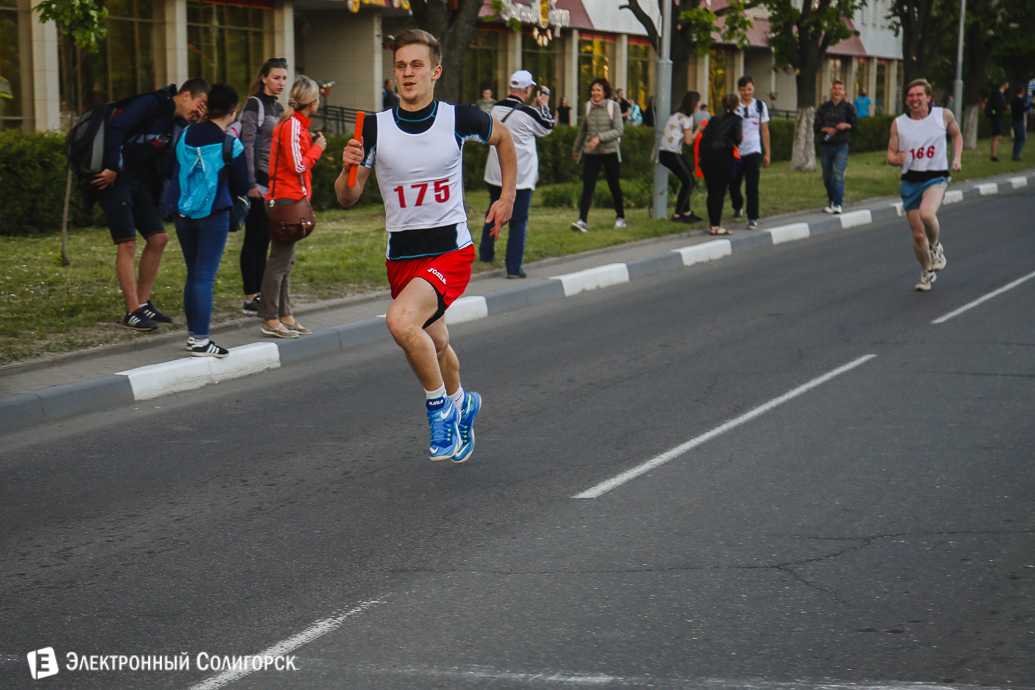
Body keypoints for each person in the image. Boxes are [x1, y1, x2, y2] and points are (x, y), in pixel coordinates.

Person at [336, 29, 517, 464]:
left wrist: (506, 195)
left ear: (435, 71)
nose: (408, 73)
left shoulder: (458, 119)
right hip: (401, 257)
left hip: (449, 250)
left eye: (417, 65)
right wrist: (347, 168)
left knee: (401, 322)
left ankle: (440, 412)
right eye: (401, 66)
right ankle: (463, 402)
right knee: (434, 342)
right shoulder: (373, 128)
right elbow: (347, 197)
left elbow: (505, 140)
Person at [92, 79, 210, 331]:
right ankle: (132, 311)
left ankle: (143, 304)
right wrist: (112, 166)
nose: (200, 110)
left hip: (139, 181)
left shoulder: (177, 123)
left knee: (158, 239)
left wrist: (198, 125)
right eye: (201, 104)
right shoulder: (150, 103)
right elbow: (116, 129)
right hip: (116, 178)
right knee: (128, 242)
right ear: (187, 95)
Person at [167, 83, 250, 357]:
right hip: (214, 215)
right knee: (204, 276)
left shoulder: (187, 134)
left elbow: (174, 167)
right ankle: (202, 341)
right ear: (232, 110)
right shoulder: (231, 143)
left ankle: (193, 336)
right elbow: (241, 185)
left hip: (184, 213)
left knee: (193, 275)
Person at [260, 75, 326, 338]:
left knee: (286, 261)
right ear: (311, 102)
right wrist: (317, 148)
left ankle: (284, 314)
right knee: (279, 262)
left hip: (290, 198)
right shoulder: (293, 126)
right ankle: (270, 318)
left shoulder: (294, 124)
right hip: (287, 199)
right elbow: (297, 164)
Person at [887, 78, 963, 292]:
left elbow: (956, 135)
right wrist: (896, 159)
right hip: (910, 180)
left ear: (928, 98)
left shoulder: (943, 116)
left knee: (927, 214)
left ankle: (936, 247)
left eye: (919, 95)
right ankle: (927, 271)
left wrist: (956, 158)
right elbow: (891, 154)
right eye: (911, 95)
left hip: (936, 177)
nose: (914, 99)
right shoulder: (899, 123)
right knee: (918, 234)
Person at [479, 72, 554, 279]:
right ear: (528, 90)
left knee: (492, 210)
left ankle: (486, 253)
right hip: (520, 178)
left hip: (495, 172)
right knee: (518, 221)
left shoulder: (496, 108)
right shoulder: (529, 113)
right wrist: (544, 104)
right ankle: (513, 267)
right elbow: (547, 127)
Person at [238, 58, 288, 316]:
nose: (281, 83)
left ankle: (260, 292)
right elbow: (247, 144)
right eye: (276, 78)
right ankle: (250, 296)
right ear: (264, 78)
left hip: (274, 183)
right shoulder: (254, 104)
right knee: (254, 237)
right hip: (256, 181)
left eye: (283, 78)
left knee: (266, 239)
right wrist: (249, 184)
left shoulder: (278, 108)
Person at [571, 78, 625, 233]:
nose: (595, 93)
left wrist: (599, 137)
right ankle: (582, 221)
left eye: (599, 90)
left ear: (605, 92)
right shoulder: (587, 107)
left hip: (610, 151)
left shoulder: (613, 106)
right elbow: (583, 130)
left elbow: (619, 129)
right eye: (593, 90)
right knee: (588, 186)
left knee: (614, 185)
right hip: (591, 152)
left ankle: (620, 218)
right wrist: (576, 149)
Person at [697, 93, 742, 237]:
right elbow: (738, 138)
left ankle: (713, 224)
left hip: (707, 156)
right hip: (722, 155)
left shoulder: (714, 119)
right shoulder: (736, 119)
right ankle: (716, 226)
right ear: (737, 105)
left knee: (711, 192)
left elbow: (704, 137)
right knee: (720, 191)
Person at [658, 90, 705, 223]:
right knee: (690, 181)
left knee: (687, 180)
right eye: (698, 102)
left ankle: (687, 212)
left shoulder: (676, 115)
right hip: (671, 153)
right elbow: (690, 141)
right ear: (695, 104)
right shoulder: (687, 118)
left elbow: (681, 137)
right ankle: (678, 215)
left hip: (667, 152)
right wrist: (698, 130)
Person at [730, 75, 770, 229]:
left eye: (749, 89)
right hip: (736, 150)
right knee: (734, 183)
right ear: (739, 90)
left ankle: (752, 216)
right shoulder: (735, 106)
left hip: (753, 149)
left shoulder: (760, 106)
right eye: (743, 90)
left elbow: (764, 130)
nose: (746, 93)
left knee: (752, 186)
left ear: (753, 88)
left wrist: (767, 153)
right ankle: (737, 205)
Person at [814, 80, 859, 215]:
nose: (837, 91)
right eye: (835, 88)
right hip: (827, 145)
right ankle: (831, 201)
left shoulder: (848, 108)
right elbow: (816, 127)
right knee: (827, 176)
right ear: (831, 90)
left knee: (838, 174)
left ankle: (838, 203)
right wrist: (826, 129)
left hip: (841, 144)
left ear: (844, 92)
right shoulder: (823, 107)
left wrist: (846, 125)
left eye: (840, 89)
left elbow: (855, 125)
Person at [987, 78, 1008, 161]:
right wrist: (1005, 108)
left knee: (996, 136)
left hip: (996, 116)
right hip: (996, 117)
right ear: (1004, 84)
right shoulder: (998, 94)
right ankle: (993, 155)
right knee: (997, 136)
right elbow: (996, 106)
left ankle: (993, 154)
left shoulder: (999, 94)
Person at [1009, 86, 1029, 161]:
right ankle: (1016, 155)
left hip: (1014, 120)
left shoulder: (1013, 100)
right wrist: (1031, 104)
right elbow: (1023, 109)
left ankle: (1015, 154)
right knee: (1022, 138)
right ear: (1023, 92)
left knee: (1017, 139)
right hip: (1019, 121)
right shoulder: (1020, 101)